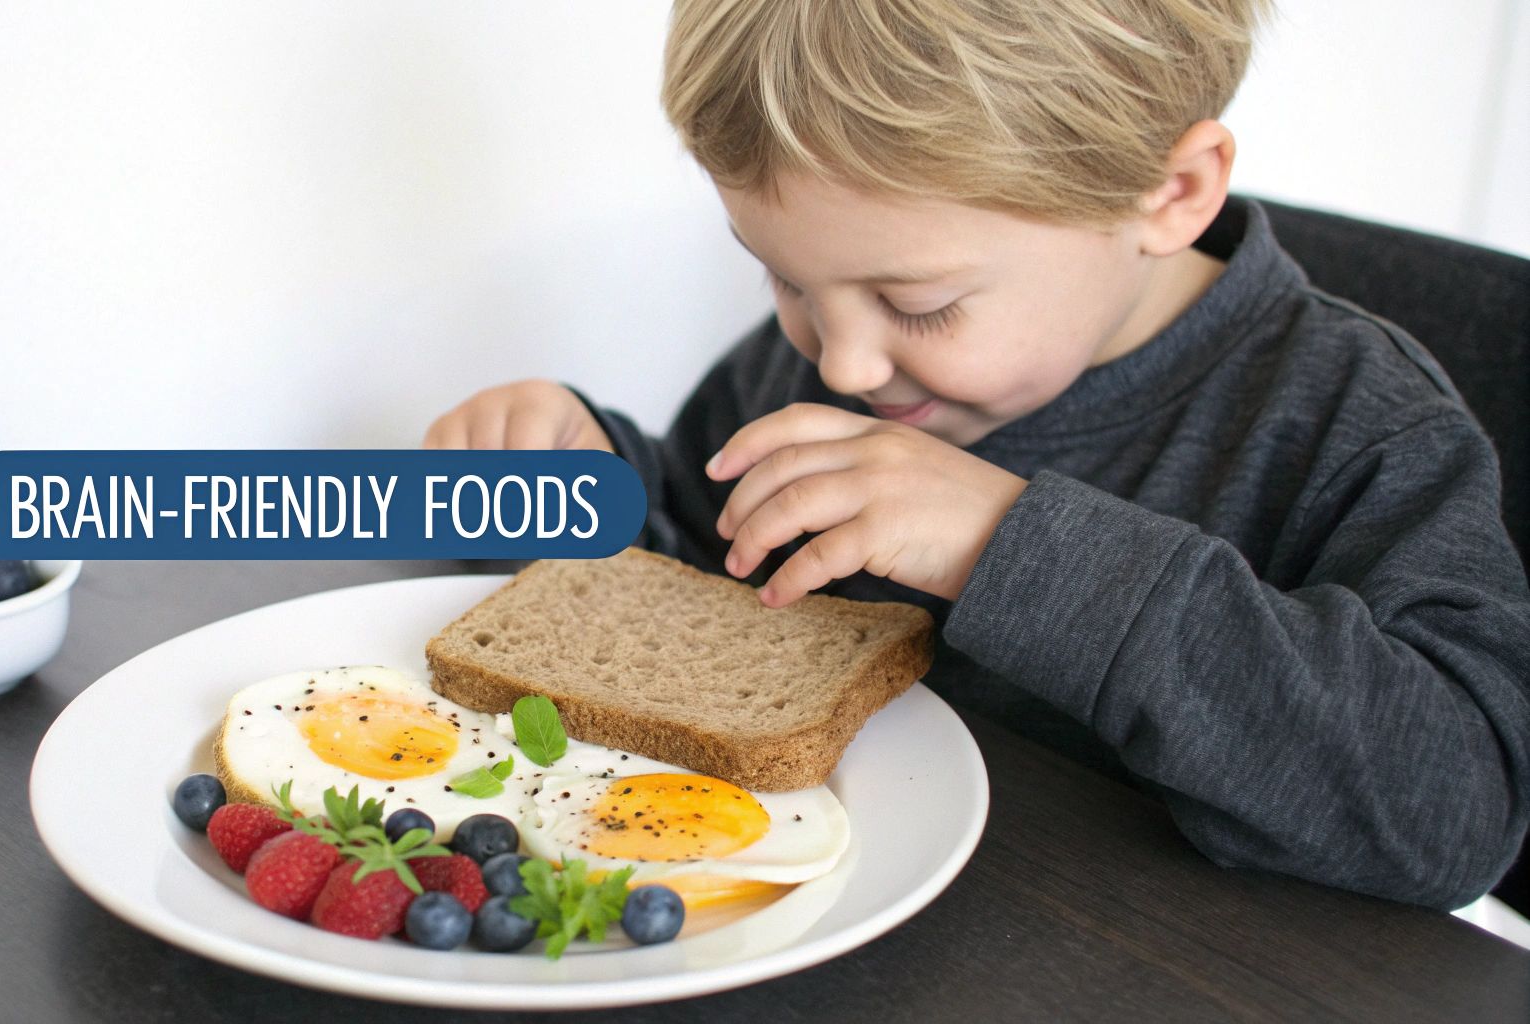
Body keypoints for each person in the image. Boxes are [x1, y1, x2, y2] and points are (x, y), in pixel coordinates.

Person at [421, 0, 1530, 910]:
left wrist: (1010, 545)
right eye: (786, 279)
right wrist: (588, 492)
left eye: (921, 304)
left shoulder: (1356, 427)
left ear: (1171, 194)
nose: (842, 362)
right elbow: (711, 558)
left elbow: (1454, 813)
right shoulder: (851, 348)